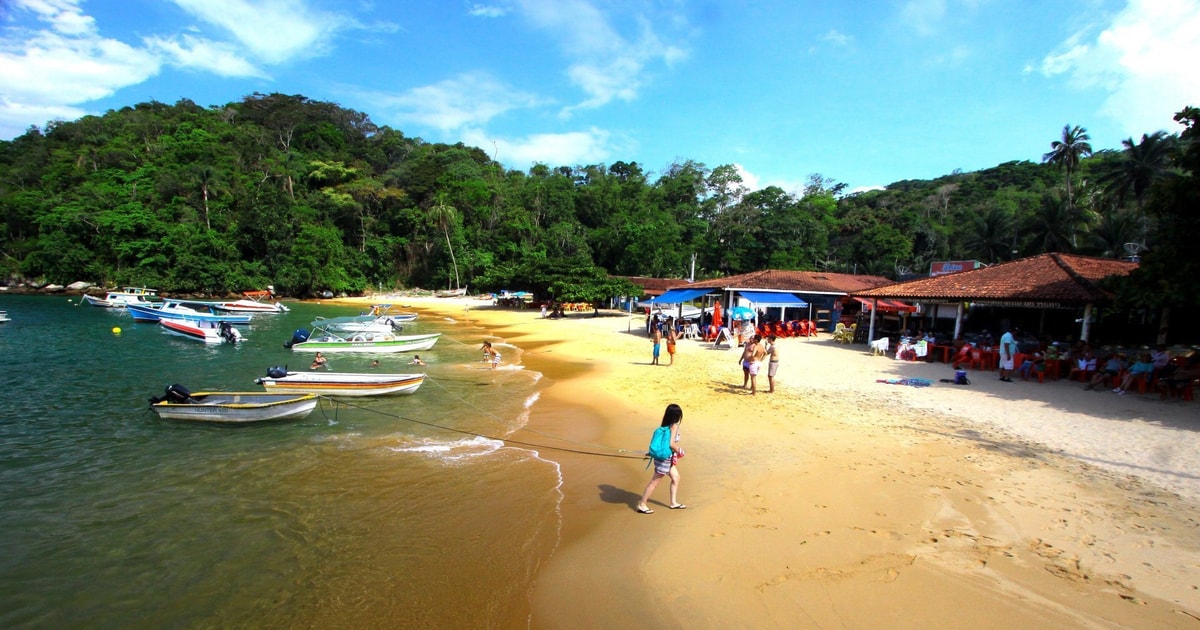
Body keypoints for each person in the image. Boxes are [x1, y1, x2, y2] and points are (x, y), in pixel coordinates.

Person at [636, 403, 686, 514]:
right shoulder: (674, 426)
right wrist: (680, 450)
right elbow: (671, 444)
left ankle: (673, 503)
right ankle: (642, 504)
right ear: (677, 416)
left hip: (664, 458)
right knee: (654, 482)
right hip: (665, 459)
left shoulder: (664, 425)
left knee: (676, 478)